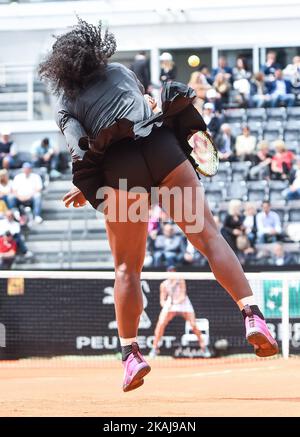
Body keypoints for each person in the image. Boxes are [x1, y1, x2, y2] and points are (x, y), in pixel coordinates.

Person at [39, 19, 278, 392]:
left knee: (126, 270)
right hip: (163, 152)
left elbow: (82, 149)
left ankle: (131, 355)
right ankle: (252, 314)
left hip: (122, 173)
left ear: (62, 70)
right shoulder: (121, 71)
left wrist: (87, 188)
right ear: (96, 50)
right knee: (210, 237)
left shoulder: (67, 103)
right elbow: (143, 110)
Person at [149, 266, 206, 357]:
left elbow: (182, 296)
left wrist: (175, 303)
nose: (171, 273)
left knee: (193, 324)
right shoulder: (164, 285)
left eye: (173, 271)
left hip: (184, 304)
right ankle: (154, 348)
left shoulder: (181, 280)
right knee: (161, 323)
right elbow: (162, 300)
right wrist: (166, 305)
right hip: (170, 305)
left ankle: (204, 347)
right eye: (169, 271)